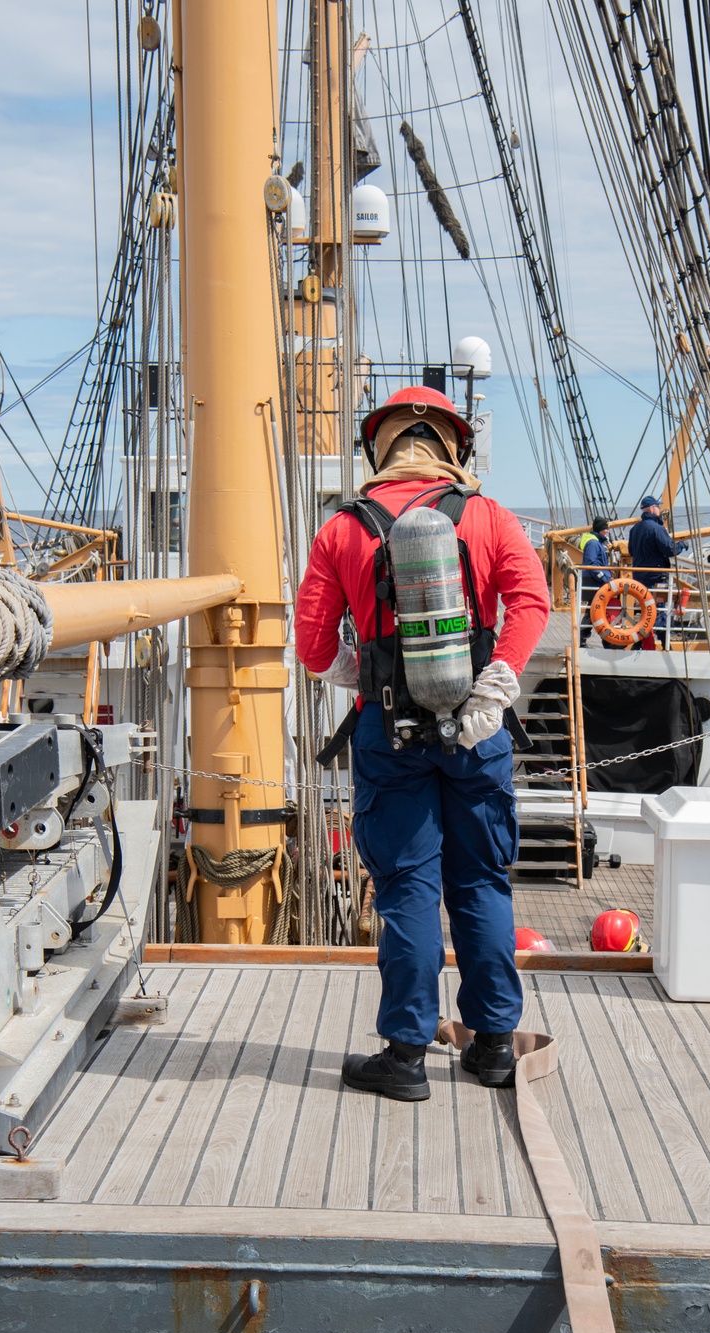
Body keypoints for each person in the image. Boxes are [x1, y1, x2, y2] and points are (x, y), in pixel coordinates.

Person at [294, 386, 551, 1101]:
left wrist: (360, 674)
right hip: (478, 727)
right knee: (481, 880)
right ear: (453, 447)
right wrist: (496, 684)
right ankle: (494, 1044)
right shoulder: (491, 517)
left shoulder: (343, 529)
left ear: (377, 448)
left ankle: (405, 1056)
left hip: (390, 729)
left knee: (409, 885)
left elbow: (313, 643)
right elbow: (533, 602)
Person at [627, 495, 686, 647]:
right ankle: (666, 645)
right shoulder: (657, 529)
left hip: (639, 578)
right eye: (658, 507)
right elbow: (669, 549)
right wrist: (682, 545)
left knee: (645, 610)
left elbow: (631, 551)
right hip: (656, 577)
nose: (659, 509)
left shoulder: (634, 530)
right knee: (659, 611)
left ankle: (639, 644)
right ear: (652, 508)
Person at [579, 515, 612, 646]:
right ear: (600, 530)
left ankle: (585, 639)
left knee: (593, 611)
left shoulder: (597, 542)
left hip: (594, 581)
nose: (608, 531)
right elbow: (591, 563)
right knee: (594, 611)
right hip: (594, 583)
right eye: (606, 528)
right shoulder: (593, 543)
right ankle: (585, 640)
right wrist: (603, 578)